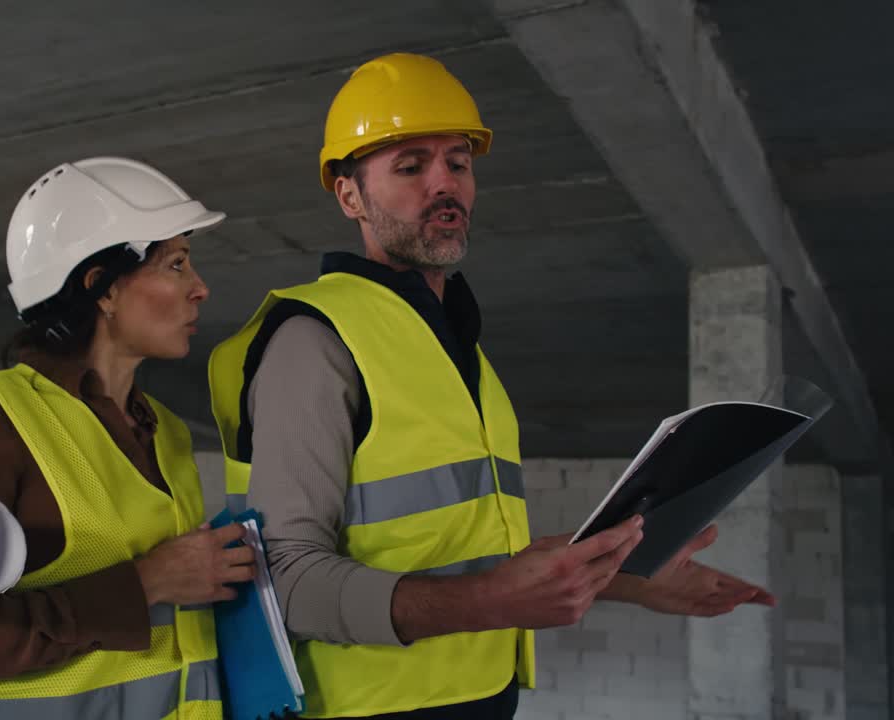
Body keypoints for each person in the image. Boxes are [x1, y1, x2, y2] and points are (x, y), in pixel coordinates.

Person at [208, 53, 775, 719]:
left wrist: (632, 578)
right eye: (411, 166)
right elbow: (286, 581)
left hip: (479, 699)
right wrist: (493, 603)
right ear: (349, 194)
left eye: (458, 162)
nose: (443, 184)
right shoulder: (315, 340)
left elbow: (480, 555)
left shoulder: (459, 350)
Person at [0, 157, 254, 719]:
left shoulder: (168, 432)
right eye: (176, 264)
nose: (200, 288)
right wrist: (147, 583)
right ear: (100, 289)